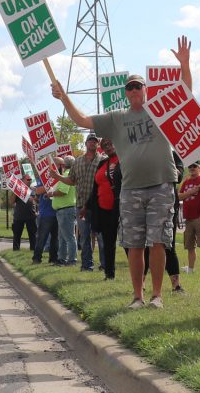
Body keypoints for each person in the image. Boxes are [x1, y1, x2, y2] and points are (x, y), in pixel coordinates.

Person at [52, 35, 192, 310]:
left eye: (137, 86)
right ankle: (137, 297)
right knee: (135, 244)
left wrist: (185, 65)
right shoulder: (117, 118)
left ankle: (157, 296)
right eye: (129, 88)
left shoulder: (160, 110)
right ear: (125, 93)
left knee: (158, 241)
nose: (133, 91)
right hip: (130, 189)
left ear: (146, 89)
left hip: (162, 185)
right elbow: (81, 120)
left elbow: (185, 92)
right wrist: (64, 97)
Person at [59, 132, 106, 271]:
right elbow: (71, 181)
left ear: (98, 144)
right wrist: (57, 176)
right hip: (81, 206)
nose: (92, 143)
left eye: (94, 141)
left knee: (101, 237)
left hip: (99, 205)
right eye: (90, 141)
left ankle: (104, 265)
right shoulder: (77, 161)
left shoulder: (103, 160)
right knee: (84, 237)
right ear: (86, 144)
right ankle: (87, 265)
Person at [87, 137, 121, 280]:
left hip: (121, 207)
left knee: (129, 243)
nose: (108, 146)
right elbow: (95, 188)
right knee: (108, 242)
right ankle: (109, 274)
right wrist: (86, 206)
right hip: (103, 209)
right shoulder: (103, 163)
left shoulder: (124, 160)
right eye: (105, 144)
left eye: (110, 143)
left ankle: (140, 276)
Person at [179, 163, 200, 274]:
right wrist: (191, 192)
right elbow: (179, 196)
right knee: (189, 246)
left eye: (195, 166)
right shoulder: (186, 182)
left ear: (199, 168)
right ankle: (191, 269)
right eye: (190, 166)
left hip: (199, 218)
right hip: (188, 218)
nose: (192, 168)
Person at [50, 156, 78, 267]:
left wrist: (51, 193)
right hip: (64, 209)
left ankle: (71, 260)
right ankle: (62, 259)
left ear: (63, 165)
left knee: (69, 237)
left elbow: (62, 191)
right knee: (62, 237)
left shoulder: (66, 175)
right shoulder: (69, 174)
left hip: (66, 209)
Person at [32, 178, 59, 265]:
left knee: (55, 239)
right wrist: (51, 183)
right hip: (45, 214)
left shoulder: (59, 177)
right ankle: (37, 258)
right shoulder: (41, 178)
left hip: (58, 212)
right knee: (41, 238)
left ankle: (53, 259)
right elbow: (38, 191)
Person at [11, 173, 37, 251]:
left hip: (31, 215)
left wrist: (34, 200)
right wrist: (15, 192)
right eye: (28, 179)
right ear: (22, 180)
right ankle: (16, 250)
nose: (29, 181)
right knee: (17, 235)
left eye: (30, 180)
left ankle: (33, 250)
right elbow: (11, 202)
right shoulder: (17, 189)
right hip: (19, 216)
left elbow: (37, 201)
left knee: (32, 235)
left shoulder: (33, 189)